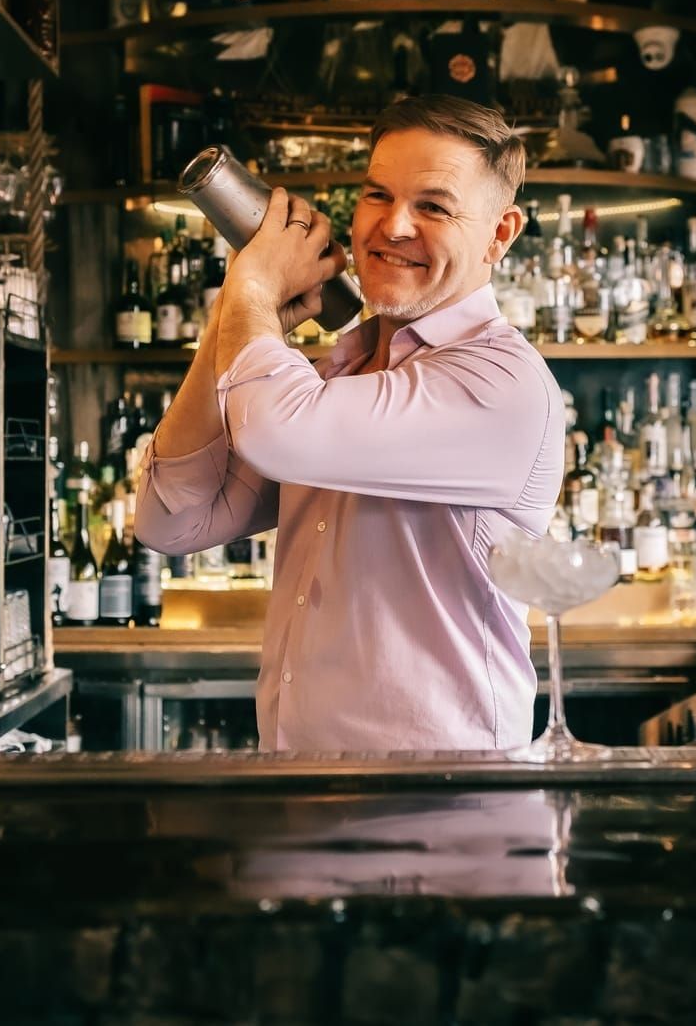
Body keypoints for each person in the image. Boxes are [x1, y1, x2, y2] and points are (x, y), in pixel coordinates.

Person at [135, 95, 565, 751]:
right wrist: (240, 311)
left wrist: (251, 289)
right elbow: (173, 518)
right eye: (376, 194)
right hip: (301, 800)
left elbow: (278, 430)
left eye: (434, 205)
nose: (393, 226)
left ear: (500, 234)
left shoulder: (501, 383)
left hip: (440, 819)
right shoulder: (342, 377)